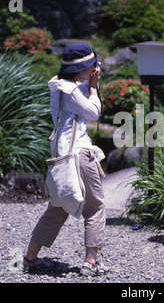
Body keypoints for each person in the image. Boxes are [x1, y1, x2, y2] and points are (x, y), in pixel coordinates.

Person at [23, 43, 109, 276]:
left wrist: (90, 83)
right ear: (81, 68)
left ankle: (30, 259)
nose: (95, 69)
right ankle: (91, 263)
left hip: (62, 155)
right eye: (92, 65)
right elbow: (93, 113)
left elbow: (78, 99)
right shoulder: (73, 91)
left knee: (57, 208)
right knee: (95, 206)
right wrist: (93, 88)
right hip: (80, 154)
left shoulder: (61, 86)